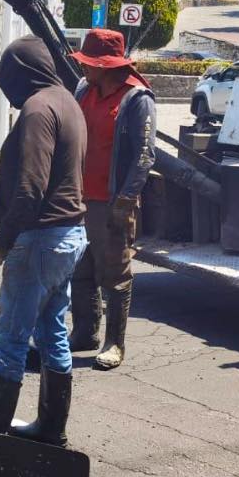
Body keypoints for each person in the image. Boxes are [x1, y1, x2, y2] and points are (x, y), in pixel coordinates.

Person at [0, 36, 88, 447]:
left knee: (9, 338)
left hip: (40, 238)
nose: (9, 94)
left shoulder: (39, 109)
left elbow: (31, 189)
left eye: (8, 82)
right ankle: (51, 430)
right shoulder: (67, 102)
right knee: (52, 330)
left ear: (22, 75)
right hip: (68, 235)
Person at [65, 28, 157, 370]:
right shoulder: (83, 90)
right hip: (79, 199)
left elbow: (144, 156)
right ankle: (85, 333)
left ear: (108, 66)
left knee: (114, 274)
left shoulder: (137, 98)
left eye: (90, 63)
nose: (84, 68)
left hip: (112, 201)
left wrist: (126, 199)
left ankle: (114, 344)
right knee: (80, 269)